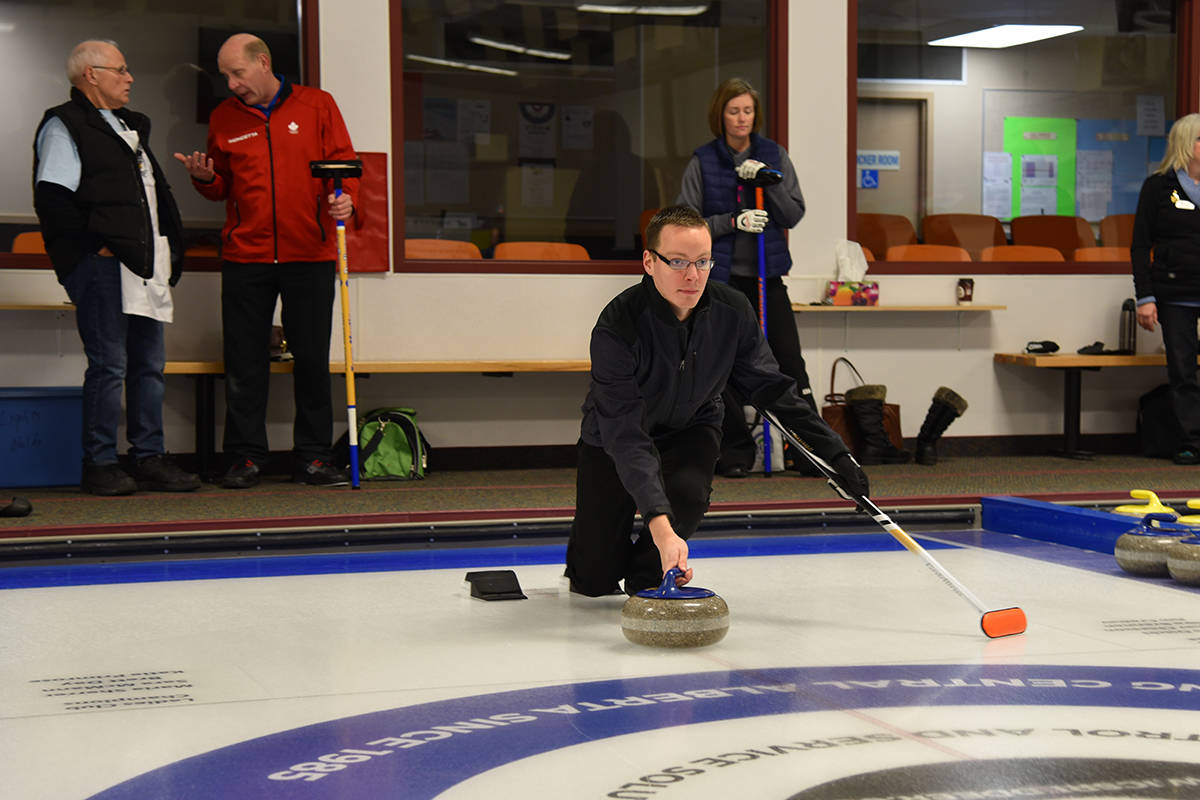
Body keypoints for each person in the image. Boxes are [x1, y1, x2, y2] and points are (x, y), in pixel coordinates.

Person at [565, 206, 868, 597]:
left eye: (703, 261)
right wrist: (660, 527)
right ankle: (618, 552)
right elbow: (624, 432)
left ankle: (650, 571)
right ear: (649, 262)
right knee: (593, 579)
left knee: (686, 498)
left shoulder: (732, 311)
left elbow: (773, 391)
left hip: (692, 427)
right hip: (615, 437)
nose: (692, 275)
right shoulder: (618, 325)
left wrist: (837, 456)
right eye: (677, 261)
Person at [174, 33, 360, 489]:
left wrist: (347, 202)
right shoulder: (224, 116)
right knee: (244, 362)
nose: (232, 84)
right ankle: (244, 457)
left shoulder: (318, 105)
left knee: (312, 360)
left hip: (310, 252)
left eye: (237, 73)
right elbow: (221, 186)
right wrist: (204, 178)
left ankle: (314, 457)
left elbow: (344, 164)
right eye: (225, 76)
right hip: (247, 255)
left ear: (263, 63)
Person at [33, 39, 200, 497]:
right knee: (109, 366)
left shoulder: (130, 128)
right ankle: (101, 463)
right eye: (121, 70)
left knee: (149, 365)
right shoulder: (64, 125)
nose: (129, 78)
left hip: (145, 264)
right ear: (92, 75)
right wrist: (94, 248)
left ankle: (149, 457)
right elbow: (53, 200)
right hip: (103, 266)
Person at [676, 77, 830, 477]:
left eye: (747, 110)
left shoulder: (773, 154)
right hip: (721, 282)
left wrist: (768, 181)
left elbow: (793, 213)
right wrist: (732, 221)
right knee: (721, 370)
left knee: (789, 366)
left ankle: (811, 451)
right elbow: (684, 224)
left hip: (768, 277)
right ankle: (735, 455)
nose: (741, 118)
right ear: (720, 115)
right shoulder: (704, 160)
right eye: (733, 111)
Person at [1131, 112, 1200, 465]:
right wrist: (1146, 297)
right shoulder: (1158, 187)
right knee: (1183, 370)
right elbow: (1140, 246)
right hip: (1175, 292)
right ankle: (1190, 441)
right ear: (1188, 145)